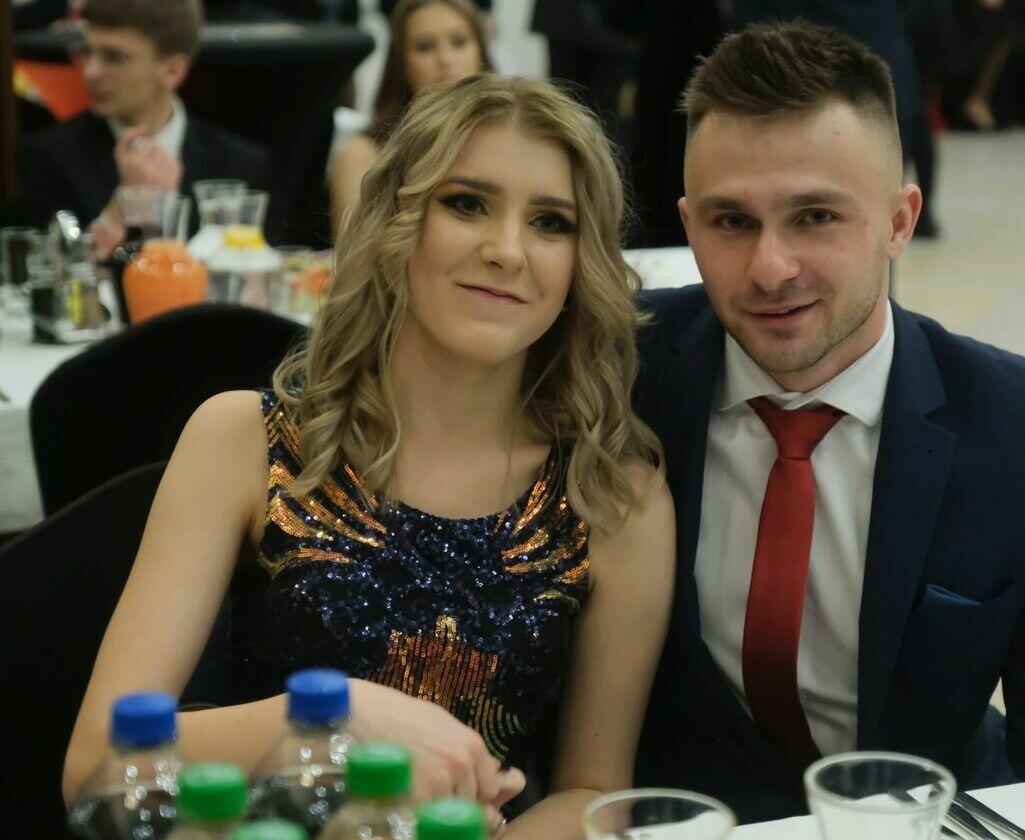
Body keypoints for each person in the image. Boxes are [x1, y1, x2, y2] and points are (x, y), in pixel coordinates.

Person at [63, 74, 675, 839]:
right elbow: (97, 766)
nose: (506, 251)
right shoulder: (244, 441)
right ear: (395, 221)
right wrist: (335, 722)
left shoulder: (612, 495)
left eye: (552, 222)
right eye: (467, 204)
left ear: (584, 264)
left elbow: (594, 793)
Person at [632, 21, 1025, 823]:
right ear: (688, 222)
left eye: (815, 217)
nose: (770, 268)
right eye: (731, 221)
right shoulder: (618, 373)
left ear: (900, 222)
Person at [4, 0, 269, 249]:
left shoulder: (240, 164)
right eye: (87, 52)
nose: (90, 72)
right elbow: (38, 268)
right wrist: (119, 211)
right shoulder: (47, 156)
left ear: (173, 70)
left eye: (115, 57)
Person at [329, 0, 490, 240]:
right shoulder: (364, 156)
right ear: (400, 62)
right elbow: (352, 254)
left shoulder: (512, 144)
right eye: (425, 47)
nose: (445, 59)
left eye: (459, 42)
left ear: (481, 52)